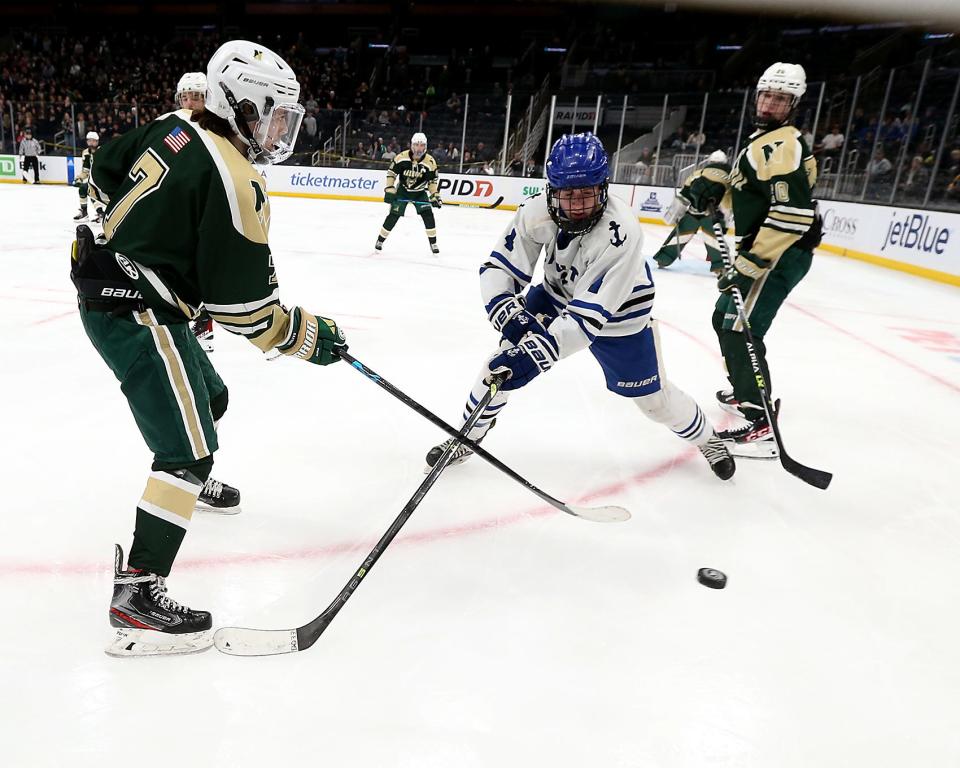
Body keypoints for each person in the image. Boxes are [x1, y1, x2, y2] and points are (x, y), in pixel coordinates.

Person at [72, 40, 345, 656]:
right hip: (136, 310)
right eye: (273, 114)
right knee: (188, 452)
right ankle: (139, 593)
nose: (280, 130)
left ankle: (189, 481)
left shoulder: (174, 125)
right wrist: (312, 339)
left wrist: (144, 230)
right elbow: (246, 312)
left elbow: (109, 166)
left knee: (211, 397)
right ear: (241, 105)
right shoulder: (237, 177)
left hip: (128, 294)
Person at [423, 133, 735, 481]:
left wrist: (538, 352)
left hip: (619, 317)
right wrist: (510, 314)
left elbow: (587, 318)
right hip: (557, 295)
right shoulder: (535, 212)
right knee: (499, 367)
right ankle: (466, 437)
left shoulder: (622, 231)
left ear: (603, 188)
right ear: (551, 190)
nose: (577, 205)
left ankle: (709, 439)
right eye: (567, 195)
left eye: (586, 193)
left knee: (655, 402)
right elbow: (499, 269)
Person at [682, 63, 822, 458]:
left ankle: (759, 417)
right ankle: (745, 387)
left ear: (793, 104)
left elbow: (791, 214)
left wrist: (752, 262)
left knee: (739, 327)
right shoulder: (764, 141)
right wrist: (716, 192)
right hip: (765, 249)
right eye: (766, 95)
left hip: (778, 253)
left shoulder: (780, 144)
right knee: (723, 317)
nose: (769, 103)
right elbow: (752, 200)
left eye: (780, 98)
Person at [654, 150, 731, 275]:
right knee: (714, 241)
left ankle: (663, 259)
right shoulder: (729, 178)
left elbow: (684, 196)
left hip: (693, 212)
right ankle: (721, 267)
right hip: (712, 215)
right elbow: (727, 204)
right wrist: (725, 224)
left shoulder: (697, 173)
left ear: (710, 161)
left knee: (679, 236)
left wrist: (675, 215)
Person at [374, 132, 442, 255]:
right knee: (393, 215)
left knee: (428, 215)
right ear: (412, 145)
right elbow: (391, 173)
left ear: (425, 146)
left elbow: (432, 182)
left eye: (422, 145)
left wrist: (434, 195)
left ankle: (433, 243)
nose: (419, 148)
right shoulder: (401, 157)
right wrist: (389, 188)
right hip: (403, 192)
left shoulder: (430, 162)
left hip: (419, 193)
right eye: (416, 145)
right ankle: (380, 241)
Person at [73, 131, 104, 222]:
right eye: (89, 140)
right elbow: (85, 170)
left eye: (93, 141)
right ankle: (95, 213)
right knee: (85, 189)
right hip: (93, 180)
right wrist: (79, 178)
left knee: (90, 189)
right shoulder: (85, 153)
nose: (91, 143)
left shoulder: (102, 150)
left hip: (103, 179)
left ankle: (99, 213)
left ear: (97, 141)